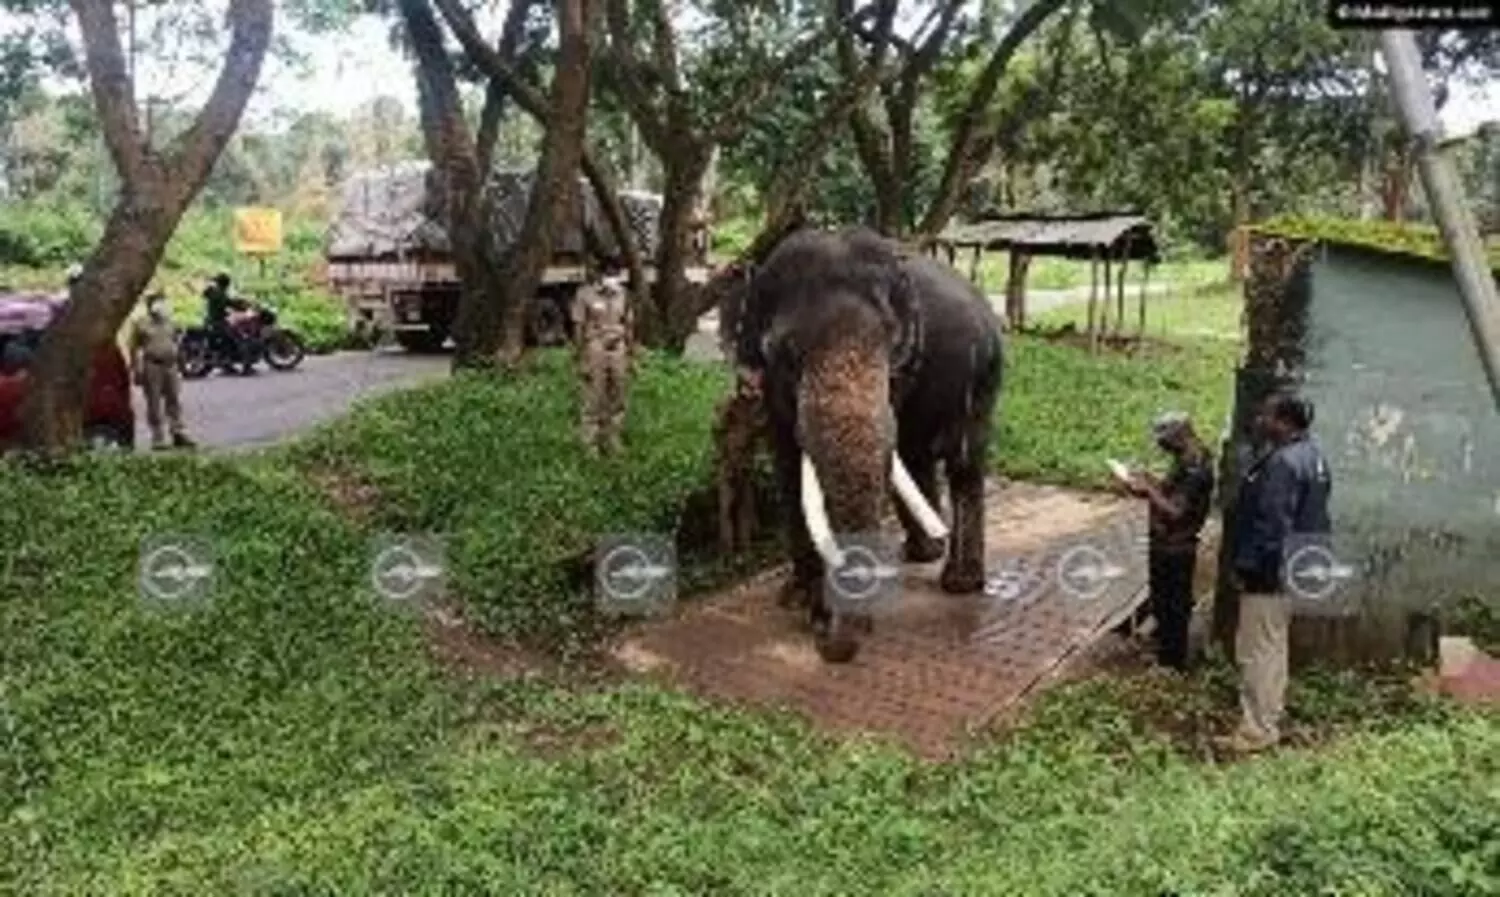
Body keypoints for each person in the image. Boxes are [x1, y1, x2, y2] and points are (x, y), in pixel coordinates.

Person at [1217, 389, 1331, 754]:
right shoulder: (1313, 455)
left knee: (1256, 651)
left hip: (1272, 572)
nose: (1260, 420)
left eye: (1267, 415)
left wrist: (1247, 568)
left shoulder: (1283, 463)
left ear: (1284, 422)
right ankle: (1269, 717)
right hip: (1299, 565)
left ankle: (1256, 731)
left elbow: (1272, 527)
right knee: (1273, 646)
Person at [1117, 411, 1216, 671]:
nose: (1160, 445)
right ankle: (1165, 655)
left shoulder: (1195, 467)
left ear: (1180, 435)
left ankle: (1172, 663)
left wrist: (1148, 490)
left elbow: (1176, 512)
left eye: (1164, 439)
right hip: (1167, 543)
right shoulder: (1185, 457)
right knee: (1163, 601)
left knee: (1173, 605)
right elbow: (1173, 493)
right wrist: (1150, 480)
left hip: (1176, 546)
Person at [129, 292, 194, 450]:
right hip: (152, 366)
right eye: (157, 302)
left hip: (170, 365)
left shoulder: (170, 322)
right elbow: (134, 348)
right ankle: (158, 437)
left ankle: (178, 433)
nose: (161, 306)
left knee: (174, 400)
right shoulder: (141, 324)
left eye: (163, 302)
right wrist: (137, 369)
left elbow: (176, 344)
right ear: (149, 305)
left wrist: (182, 365)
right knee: (154, 402)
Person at [202, 272, 250, 373]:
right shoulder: (220, 294)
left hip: (210, 320)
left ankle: (227, 364)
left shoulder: (214, 292)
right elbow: (229, 303)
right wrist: (241, 305)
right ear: (226, 284)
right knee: (238, 338)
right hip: (218, 322)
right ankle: (242, 365)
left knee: (230, 337)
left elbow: (227, 303)